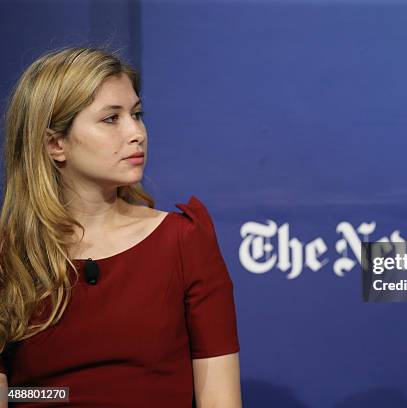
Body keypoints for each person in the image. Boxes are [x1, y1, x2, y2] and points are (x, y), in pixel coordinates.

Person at [0, 47, 242, 407]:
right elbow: (14, 393)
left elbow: (220, 399)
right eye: (111, 119)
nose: (137, 133)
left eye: (137, 114)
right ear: (55, 143)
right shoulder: (11, 255)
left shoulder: (183, 241)